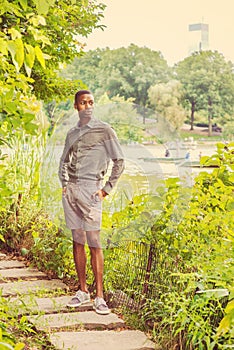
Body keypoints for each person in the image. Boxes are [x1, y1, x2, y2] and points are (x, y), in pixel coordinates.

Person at [58, 90, 125, 315]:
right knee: (78, 240)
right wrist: (65, 185)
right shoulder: (72, 133)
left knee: (94, 241)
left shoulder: (104, 130)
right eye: (83, 103)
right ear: (76, 106)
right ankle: (83, 291)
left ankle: (100, 296)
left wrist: (105, 190)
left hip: (92, 190)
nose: (88, 106)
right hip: (73, 190)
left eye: (91, 102)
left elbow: (119, 162)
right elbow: (63, 161)